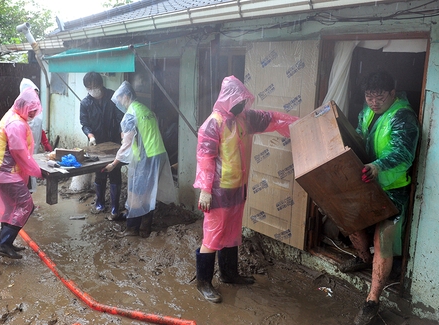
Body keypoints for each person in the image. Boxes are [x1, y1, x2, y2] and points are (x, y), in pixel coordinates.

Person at [193, 75, 299, 303]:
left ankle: (229, 274)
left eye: (243, 100)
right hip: (218, 192)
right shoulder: (213, 124)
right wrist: (205, 189)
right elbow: (205, 159)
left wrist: (301, 125)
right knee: (212, 237)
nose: (242, 105)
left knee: (231, 234)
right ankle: (203, 283)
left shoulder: (244, 118)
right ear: (227, 99)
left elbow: (272, 119)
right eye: (238, 101)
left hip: (237, 190)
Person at [338, 70, 419, 325]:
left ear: (392, 94)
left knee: (383, 238)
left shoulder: (403, 117)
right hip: (367, 179)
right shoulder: (369, 111)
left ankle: (372, 301)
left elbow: (403, 154)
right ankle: (363, 259)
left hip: (392, 186)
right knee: (348, 218)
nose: (373, 101)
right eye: (369, 96)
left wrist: (378, 166)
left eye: (379, 96)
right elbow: (361, 135)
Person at [104, 81, 176, 238]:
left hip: (146, 156)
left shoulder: (130, 114)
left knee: (136, 192)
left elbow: (127, 144)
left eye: (120, 98)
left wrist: (114, 163)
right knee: (148, 191)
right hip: (157, 153)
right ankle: (145, 228)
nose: (120, 102)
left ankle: (132, 229)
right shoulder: (144, 109)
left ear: (126, 95)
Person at [0, 87, 43, 259]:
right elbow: (19, 152)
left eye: (35, 110)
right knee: (26, 205)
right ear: (24, 105)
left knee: (10, 207)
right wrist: (37, 170)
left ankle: (6, 243)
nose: (33, 113)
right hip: (5, 173)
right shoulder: (16, 123)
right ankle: (4, 244)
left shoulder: (13, 115)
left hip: (0, 171)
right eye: (31, 110)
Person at [80, 72, 124, 218]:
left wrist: (122, 134)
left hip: (114, 142)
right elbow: (84, 123)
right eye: (89, 87)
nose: (93, 89)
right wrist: (90, 135)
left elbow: (120, 119)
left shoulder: (113, 98)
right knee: (100, 173)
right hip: (96, 144)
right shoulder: (85, 103)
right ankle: (100, 203)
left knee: (115, 173)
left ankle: (115, 208)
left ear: (101, 84)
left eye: (95, 86)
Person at [20, 78, 52, 193]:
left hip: (34, 149)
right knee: (24, 176)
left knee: (31, 175)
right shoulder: (20, 110)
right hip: (23, 150)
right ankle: (24, 205)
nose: (36, 97)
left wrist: (45, 143)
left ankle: (29, 203)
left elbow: (39, 126)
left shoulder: (36, 108)